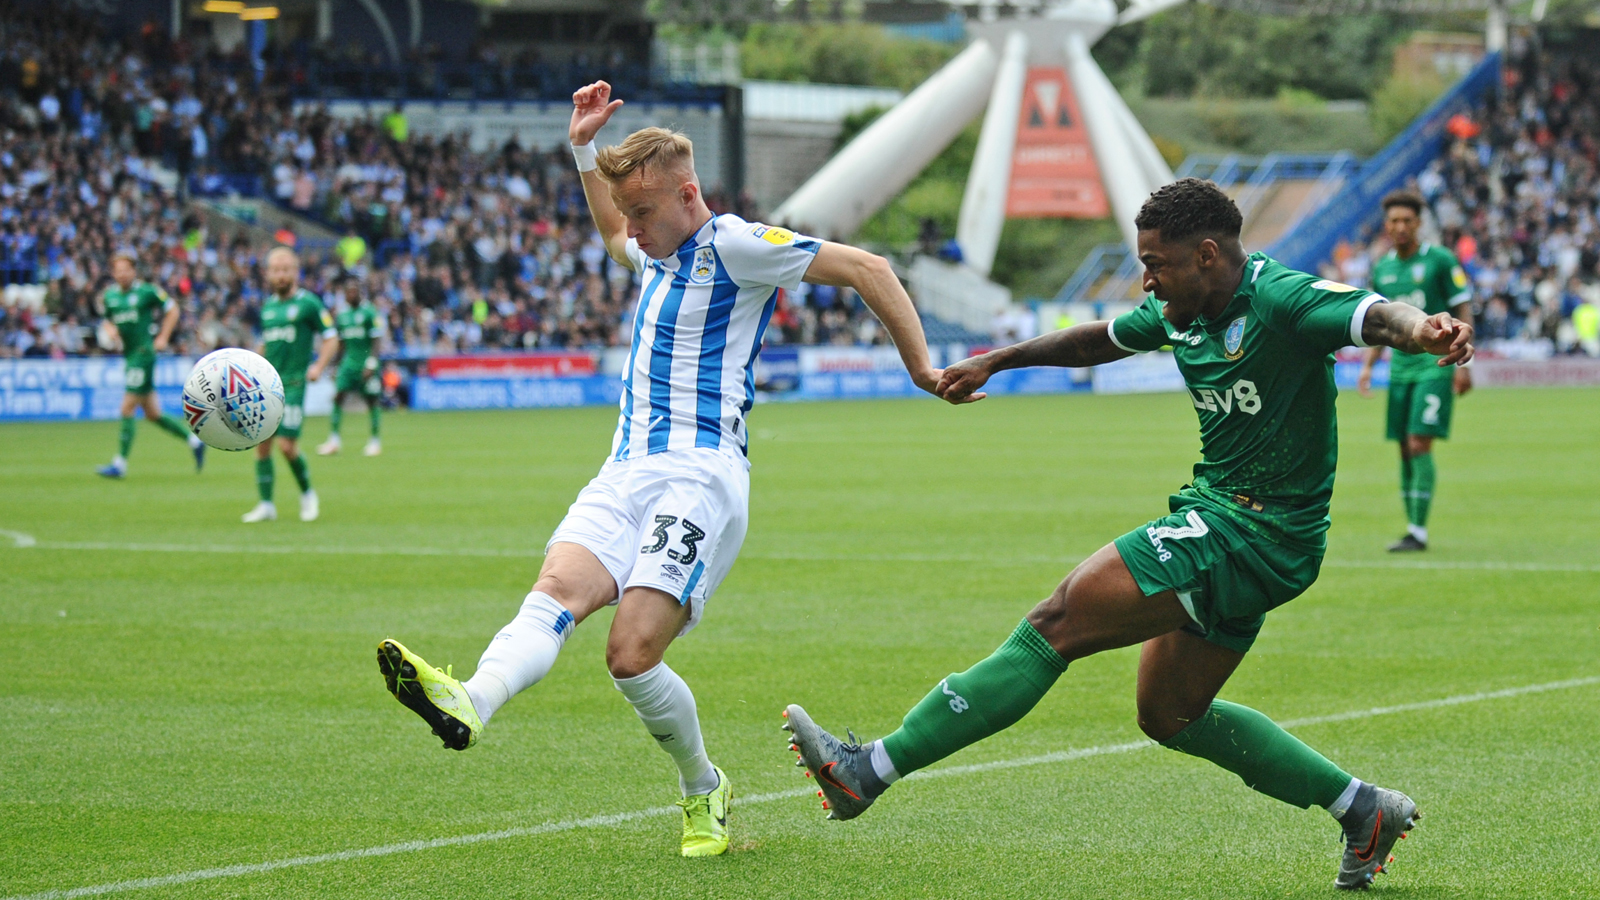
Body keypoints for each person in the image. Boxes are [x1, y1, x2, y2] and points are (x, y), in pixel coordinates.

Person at [782, 178, 1474, 891]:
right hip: (1235, 528)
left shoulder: (1281, 299)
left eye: (1156, 263)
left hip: (1254, 530)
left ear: (1207, 254)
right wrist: (998, 359)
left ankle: (868, 772)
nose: (1146, 278)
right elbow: (1099, 340)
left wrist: (1426, 330)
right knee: (1169, 713)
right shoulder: (1182, 308)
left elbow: (1378, 315)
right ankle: (1363, 810)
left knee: (1057, 621)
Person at [376, 80, 947, 859]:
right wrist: (583, 147)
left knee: (630, 653)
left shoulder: (737, 245)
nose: (632, 232)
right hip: (623, 471)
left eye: (645, 214)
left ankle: (702, 788)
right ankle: (469, 700)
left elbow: (870, 269)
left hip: (700, 477)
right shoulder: (655, 253)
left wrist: (921, 369)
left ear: (688, 195)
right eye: (632, 217)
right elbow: (614, 224)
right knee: (556, 594)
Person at [1358, 190, 1473, 552]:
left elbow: (1462, 308)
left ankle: (1417, 531)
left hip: (1434, 365)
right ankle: (1412, 527)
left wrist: (1466, 361)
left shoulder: (1440, 260)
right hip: (1400, 368)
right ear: (1387, 226)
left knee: (1418, 442)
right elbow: (1380, 324)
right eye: (1394, 221)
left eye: (1408, 220)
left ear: (1419, 224)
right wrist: (1368, 365)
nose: (1401, 226)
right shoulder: (1383, 267)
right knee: (1404, 449)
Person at [241, 247, 338, 523]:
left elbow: (331, 337)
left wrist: (318, 366)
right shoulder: (269, 307)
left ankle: (308, 495)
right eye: (275, 270)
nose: (281, 275)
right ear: (268, 274)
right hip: (265, 386)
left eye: (286, 269)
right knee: (261, 445)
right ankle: (266, 505)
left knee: (286, 446)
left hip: (293, 384)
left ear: (295, 272)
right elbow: (263, 344)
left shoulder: (309, 304)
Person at [95, 251, 205, 478]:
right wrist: (110, 330)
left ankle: (120, 464)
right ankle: (194, 441)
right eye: (118, 270)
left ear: (133, 271)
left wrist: (163, 337)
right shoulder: (111, 297)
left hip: (143, 354)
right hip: (129, 355)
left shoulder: (146, 291)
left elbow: (173, 309)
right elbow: (107, 320)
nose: (122, 274)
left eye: (126, 269)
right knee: (153, 414)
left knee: (126, 407)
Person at [317, 277, 385, 457]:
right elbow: (340, 344)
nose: (351, 294)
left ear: (360, 293)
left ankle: (375, 441)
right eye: (348, 292)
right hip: (348, 364)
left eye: (355, 291)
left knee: (371, 401)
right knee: (338, 397)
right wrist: (335, 365)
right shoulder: (342, 315)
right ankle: (334, 441)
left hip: (366, 364)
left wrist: (372, 363)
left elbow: (376, 340)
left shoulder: (370, 312)